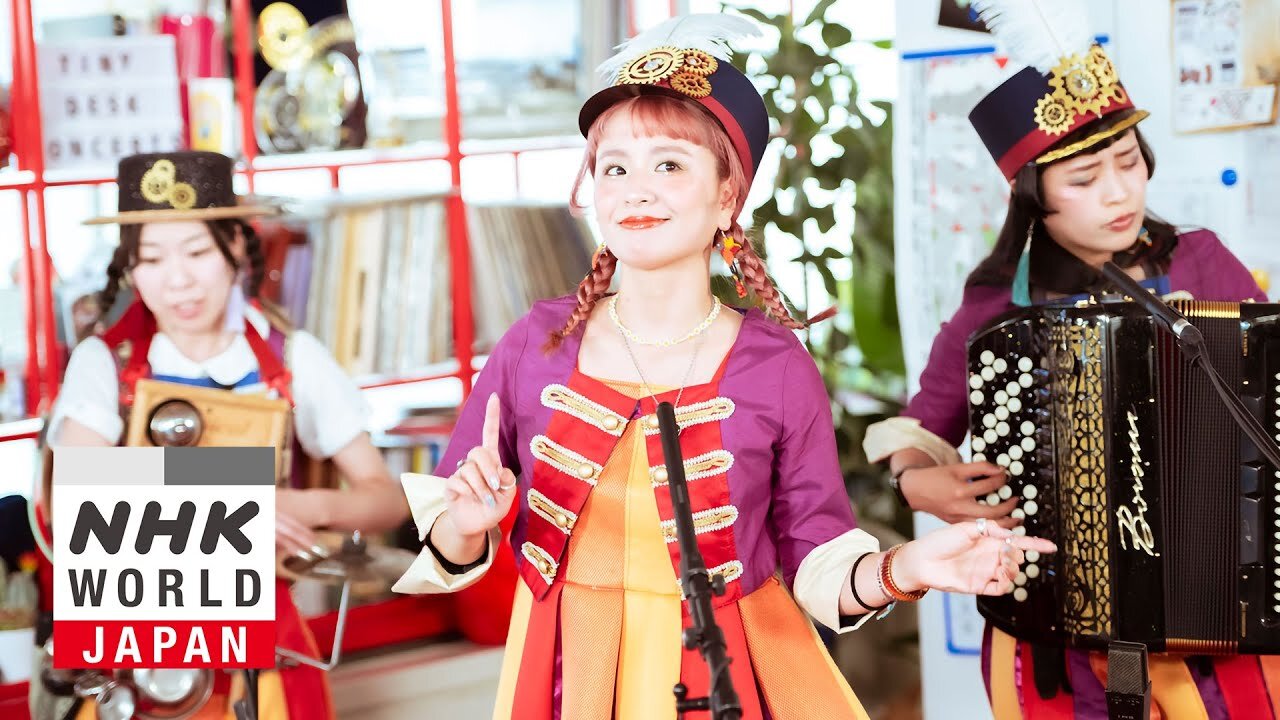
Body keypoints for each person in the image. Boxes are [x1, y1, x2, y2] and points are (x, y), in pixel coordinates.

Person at [392, 15, 1055, 720]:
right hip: (564, 675)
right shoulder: (536, 342)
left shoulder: (775, 366)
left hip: (727, 678)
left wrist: (909, 568)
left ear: (728, 197)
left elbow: (815, 558)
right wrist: (467, 526)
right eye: (613, 167)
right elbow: (451, 533)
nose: (634, 190)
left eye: (669, 164)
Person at [863, 1, 1271, 717]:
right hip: (1062, 632)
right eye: (1083, 179)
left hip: (1219, 614)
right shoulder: (997, 307)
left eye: (1128, 162)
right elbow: (918, 429)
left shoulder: (1203, 259)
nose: (1118, 193)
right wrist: (915, 483)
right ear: (1034, 196)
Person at [42, 150, 408, 720]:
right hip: (138, 645)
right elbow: (75, 503)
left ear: (236, 245)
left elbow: (385, 500)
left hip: (264, 646)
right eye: (153, 259)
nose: (178, 280)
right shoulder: (104, 364)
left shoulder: (292, 359)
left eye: (196, 252)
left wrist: (293, 505)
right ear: (131, 268)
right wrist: (238, 508)